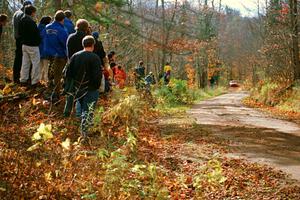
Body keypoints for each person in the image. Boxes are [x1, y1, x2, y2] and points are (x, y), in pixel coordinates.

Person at [64, 35, 102, 139]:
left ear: (83, 44)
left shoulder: (75, 56)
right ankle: (84, 134)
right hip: (91, 89)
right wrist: (96, 87)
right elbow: (97, 76)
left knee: (79, 110)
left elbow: (68, 73)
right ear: (93, 45)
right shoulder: (95, 58)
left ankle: (77, 131)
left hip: (77, 88)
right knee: (88, 111)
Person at [64, 19, 90, 117]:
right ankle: (82, 114)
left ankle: (67, 112)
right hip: (84, 68)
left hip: (71, 65)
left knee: (70, 92)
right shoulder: (87, 39)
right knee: (83, 91)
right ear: (86, 28)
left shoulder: (70, 37)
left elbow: (68, 53)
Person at [44, 10, 68, 101]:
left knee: (51, 73)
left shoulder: (47, 27)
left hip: (48, 54)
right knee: (57, 75)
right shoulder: (62, 30)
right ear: (63, 19)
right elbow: (65, 43)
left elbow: (43, 39)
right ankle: (56, 95)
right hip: (59, 55)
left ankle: (50, 91)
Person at [19, 5, 41, 87]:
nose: (35, 14)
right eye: (34, 12)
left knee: (25, 63)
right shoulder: (31, 22)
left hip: (24, 44)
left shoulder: (21, 20)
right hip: (33, 45)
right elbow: (36, 34)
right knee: (36, 63)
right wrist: (38, 41)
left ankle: (23, 80)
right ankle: (35, 81)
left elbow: (19, 33)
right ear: (32, 12)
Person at [12, 0, 32, 84]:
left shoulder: (16, 13)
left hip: (17, 38)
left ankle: (16, 77)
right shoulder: (23, 15)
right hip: (23, 39)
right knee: (26, 59)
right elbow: (24, 28)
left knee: (18, 58)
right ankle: (25, 78)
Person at [38, 16, 52, 84]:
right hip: (45, 49)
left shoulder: (38, 27)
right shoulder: (46, 29)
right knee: (46, 66)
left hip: (38, 49)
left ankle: (39, 79)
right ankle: (45, 80)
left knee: (40, 66)